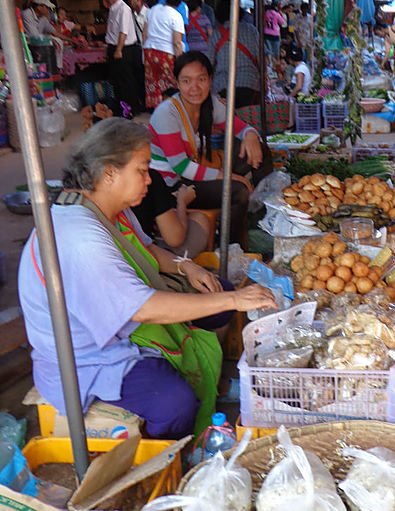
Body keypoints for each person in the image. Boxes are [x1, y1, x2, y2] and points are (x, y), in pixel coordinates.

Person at [18, 118, 276, 439]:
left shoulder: (108, 208)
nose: (149, 180)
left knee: (217, 294)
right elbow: (142, 308)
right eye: (142, 170)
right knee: (173, 402)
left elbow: (147, 250)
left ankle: (211, 380)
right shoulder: (81, 237)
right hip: (87, 360)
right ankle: (167, 455)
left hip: (119, 323)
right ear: (110, 173)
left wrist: (187, 267)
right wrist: (235, 299)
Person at [149, 52, 272, 244]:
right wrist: (228, 175)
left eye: (201, 79)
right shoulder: (166, 114)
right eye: (186, 81)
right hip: (172, 188)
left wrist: (250, 135)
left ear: (210, 79)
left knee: (259, 150)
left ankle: (264, 218)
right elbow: (181, 167)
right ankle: (232, 247)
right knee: (237, 190)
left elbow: (239, 127)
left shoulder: (210, 104)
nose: (194, 88)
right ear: (177, 82)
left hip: (194, 174)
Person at [132, 171, 210, 260]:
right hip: (146, 255)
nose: (148, 181)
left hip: (131, 249)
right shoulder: (151, 178)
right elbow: (175, 239)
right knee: (199, 218)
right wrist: (182, 202)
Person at [208, 0, 261, 109]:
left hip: (222, 85)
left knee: (228, 120)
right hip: (249, 83)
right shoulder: (251, 30)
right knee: (246, 118)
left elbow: (210, 63)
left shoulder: (216, 34)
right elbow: (260, 59)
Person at [103, 0, 143, 115]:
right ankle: (121, 108)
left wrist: (119, 49)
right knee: (117, 81)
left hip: (124, 49)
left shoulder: (123, 9)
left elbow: (123, 32)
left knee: (127, 82)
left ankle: (130, 110)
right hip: (114, 47)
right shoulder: (113, 8)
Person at [143, 0, 185, 110]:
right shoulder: (176, 16)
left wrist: (145, 52)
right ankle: (171, 109)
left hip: (149, 52)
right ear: (179, 1)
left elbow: (144, 34)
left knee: (153, 82)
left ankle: (155, 109)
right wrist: (180, 61)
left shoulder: (151, 10)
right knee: (172, 83)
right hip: (166, 54)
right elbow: (177, 43)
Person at [287, 45, 312, 129]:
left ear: (291, 59)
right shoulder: (303, 66)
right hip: (302, 97)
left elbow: (299, 87)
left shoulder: (300, 69)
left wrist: (289, 97)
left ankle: (290, 125)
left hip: (301, 99)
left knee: (288, 101)